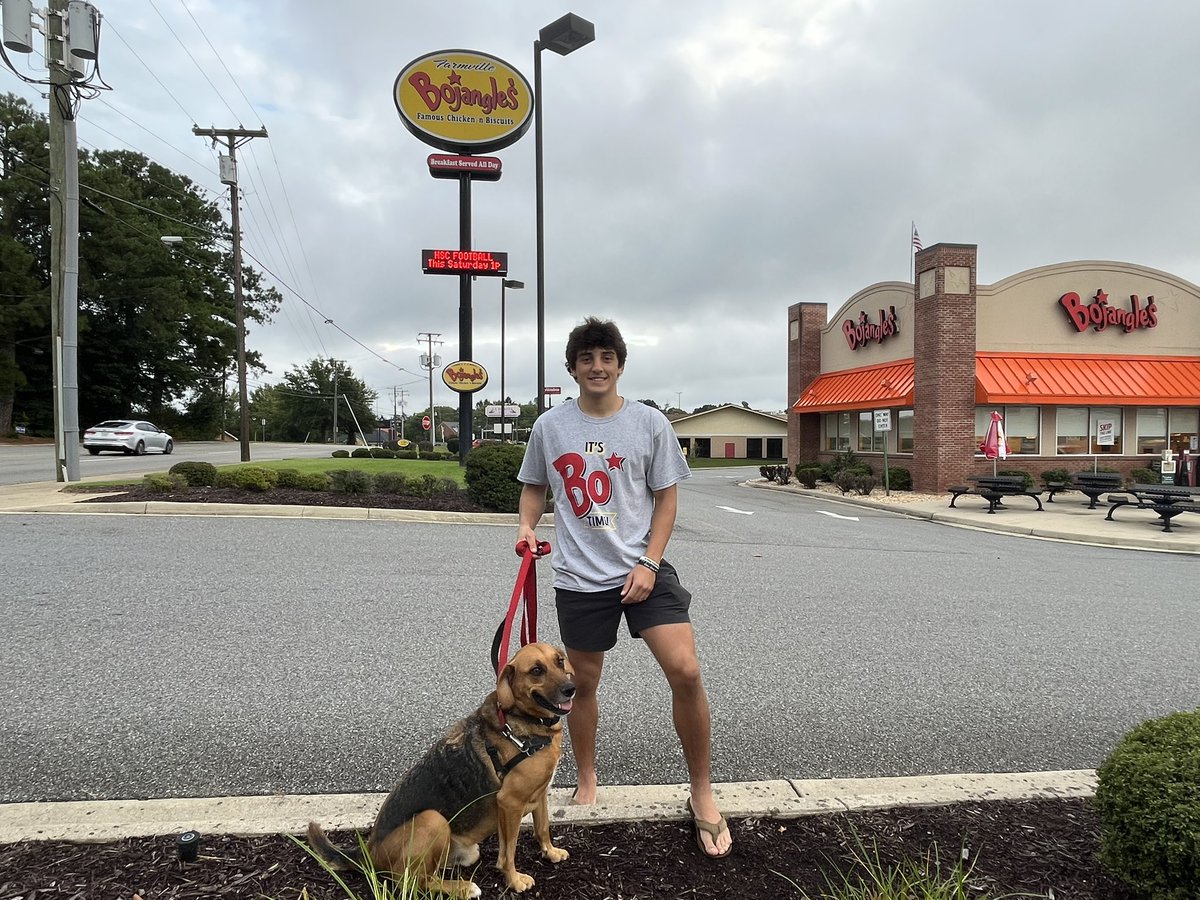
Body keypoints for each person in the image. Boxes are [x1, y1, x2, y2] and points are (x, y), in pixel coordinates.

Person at [516, 316, 732, 858]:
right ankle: (586, 778)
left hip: (644, 570)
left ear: (619, 365)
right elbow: (534, 488)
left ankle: (702, 791)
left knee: (685, 669)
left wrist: (650, 563)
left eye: (606, 357)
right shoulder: (550, 426)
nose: (597, 367)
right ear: (573, 368)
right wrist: (526, 525)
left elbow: (667, 499)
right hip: (580, 578)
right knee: (580, 686)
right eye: (586, 358)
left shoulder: (649, 424)